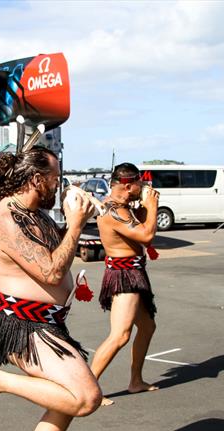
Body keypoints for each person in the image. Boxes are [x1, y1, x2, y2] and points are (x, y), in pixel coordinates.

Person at [0, 147, 101, 431]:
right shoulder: (7, 219)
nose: (58, 185)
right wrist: (75, 223)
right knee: (85, 398)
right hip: (22, 325)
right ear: (36, 179)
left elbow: (56, 251)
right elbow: (51, 272)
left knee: (63, 403)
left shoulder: (34, 213)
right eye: (55, 179)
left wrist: (80, 223)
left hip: (46, 323)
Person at [90, 163, 161, 405]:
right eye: (139, 183)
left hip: (134, 272)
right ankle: (88, 389)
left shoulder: (122, 208)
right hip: (124, 275)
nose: (142, 187)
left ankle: (136, 381)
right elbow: (146, 235)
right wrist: (153, 207)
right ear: (128, 185)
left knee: (148, 327)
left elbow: (138, 225)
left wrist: (143, 206)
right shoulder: (114, 212)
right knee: (120, 335)